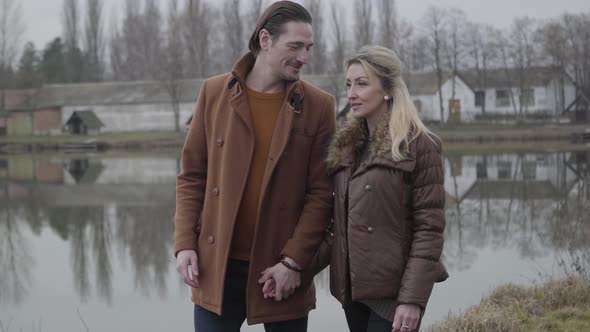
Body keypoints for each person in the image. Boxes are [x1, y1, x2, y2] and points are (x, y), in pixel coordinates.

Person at [174, 1, 336, 331]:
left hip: (280, 270)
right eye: (295, 46)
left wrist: (294, 263)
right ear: (265, 40)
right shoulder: (215, 92)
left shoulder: (319, 106)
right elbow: (192, 177)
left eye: (309, 48)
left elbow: (322, 194)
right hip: (217, 266)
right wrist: (184, 244)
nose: (304, 57)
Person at [298, 45, 449, 332]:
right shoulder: (345, 148)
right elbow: (338, 227)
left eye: (362, 84)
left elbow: (429, 230)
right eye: (349, 84)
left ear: (388, 89)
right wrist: (296, 269)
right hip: (352, 292)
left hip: (394, 297)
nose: (351, 93)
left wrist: (412, 299)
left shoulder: (419, 146)